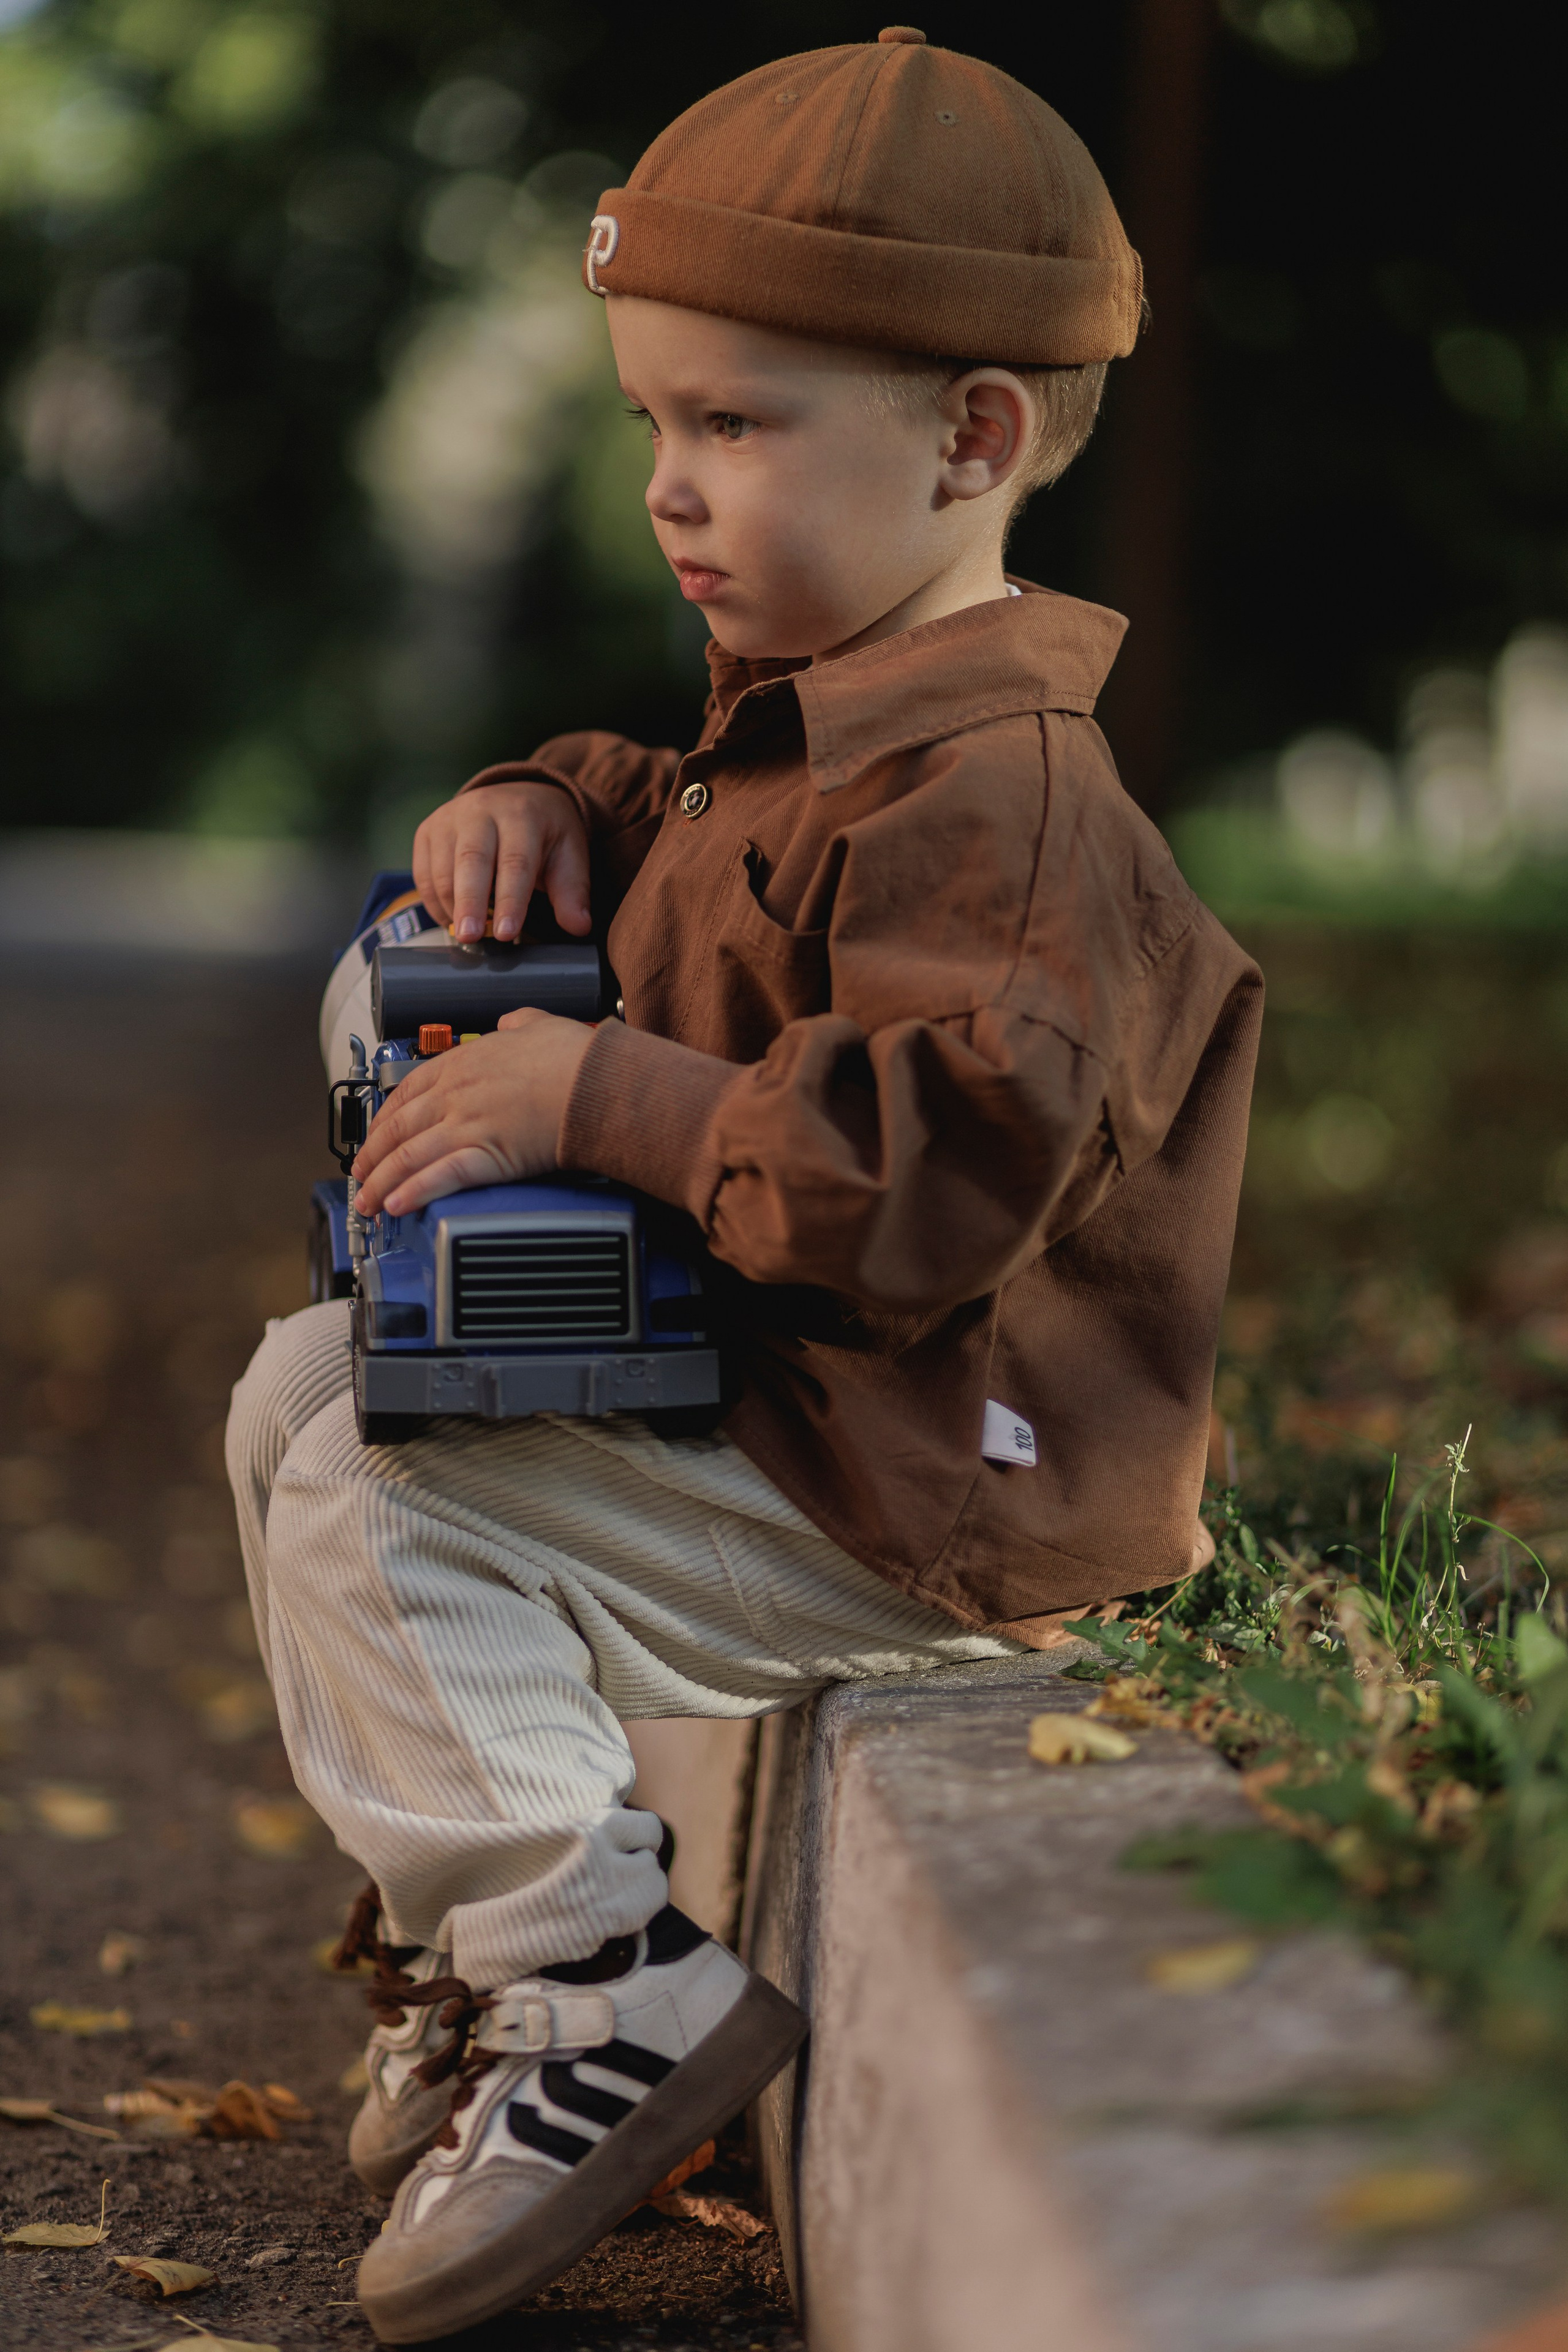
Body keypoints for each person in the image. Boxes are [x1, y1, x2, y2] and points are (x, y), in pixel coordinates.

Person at [227, 27, 1262, 2343]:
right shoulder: (816, 704)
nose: (670, 491)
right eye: (651, 425)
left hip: (924, 1487)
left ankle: (610, 1994)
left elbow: (928, 1195)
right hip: (794, 1415)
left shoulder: (1006, 808)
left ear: (973, 438)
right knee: (301, 1387)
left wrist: (601, 1101)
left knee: (382, 1496)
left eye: (734, 425)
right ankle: (494, 1944)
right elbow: (682, 829)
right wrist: (530, 800)